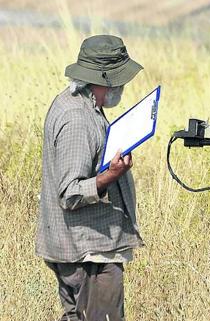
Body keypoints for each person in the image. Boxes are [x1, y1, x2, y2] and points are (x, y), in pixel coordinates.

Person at [36, 35, 144, 321]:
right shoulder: (77, 118)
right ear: (104, 79)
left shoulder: (83, 105)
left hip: (84, 245)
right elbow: (69, 193)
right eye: (119, 79)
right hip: (87, 251)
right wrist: (111, 174)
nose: (122, 86)